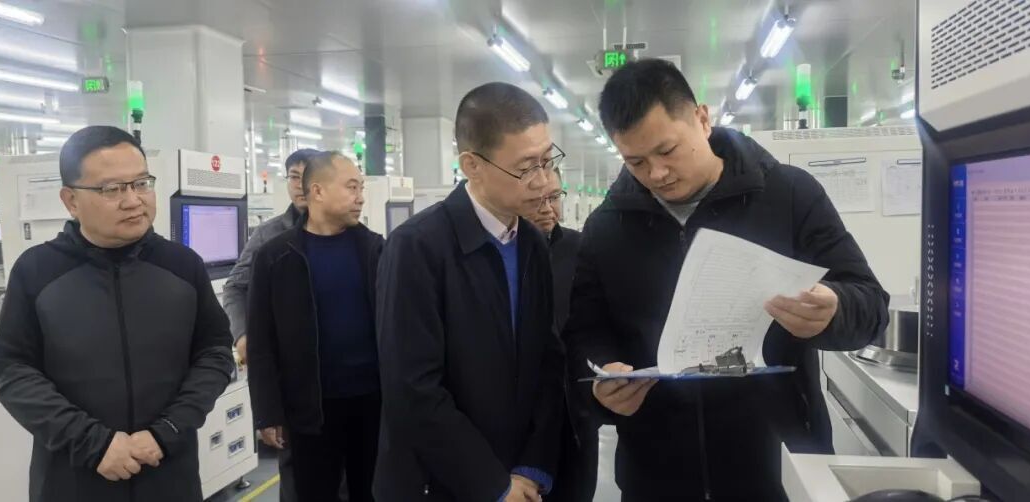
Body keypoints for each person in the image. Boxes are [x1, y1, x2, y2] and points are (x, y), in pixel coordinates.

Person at [566, 59, 890, 501]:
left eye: (667, 150)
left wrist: (834, 308)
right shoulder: (607, 228)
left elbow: (870, 304)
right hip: (657, 476)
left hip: (780, 470)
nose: (656, 173)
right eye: (636, 161)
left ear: (702, 119)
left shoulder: (789, 196)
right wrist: (604, 380)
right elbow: (585, 332)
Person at [0, 126, 235, 502]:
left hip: (168, 474)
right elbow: (13, 371)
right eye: (112, 189)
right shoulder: (37, 272)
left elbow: (214, 354)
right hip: (73, 480)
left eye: (142, 183)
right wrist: (94, 443)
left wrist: (167, 430)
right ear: (71, 200)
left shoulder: (182, 266)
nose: (133, 200)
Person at [374, 82, 565, 502]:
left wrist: (532, 466)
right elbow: (413, 390)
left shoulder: (532, 244)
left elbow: (547, 361)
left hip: (519, 478)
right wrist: (493, 486)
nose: (543, 181)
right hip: (439, 485)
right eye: (527, 167)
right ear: (472, 165)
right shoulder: (417, 248)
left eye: (548, 162)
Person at [247, 151, 384, 502]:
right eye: (351, 187)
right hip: (309, 408)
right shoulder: (276, 256)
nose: (360, 197)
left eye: (361, 188)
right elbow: (261, 340)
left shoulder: (375, 249)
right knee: (313, 492)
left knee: (372, 491)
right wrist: (267, 412)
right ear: (318, 192)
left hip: (373, 403)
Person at [222, 148, 318, 502]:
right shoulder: (268, 236)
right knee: (297, 474)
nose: (300, 185)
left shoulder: (348, 231)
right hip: (292, 376)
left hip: (340, 375)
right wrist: (243, 334)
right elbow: (235, 287)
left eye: (307, 176)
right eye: (293, 176)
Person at [518, 168, 596, 502]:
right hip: (522, 419)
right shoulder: (505, 256)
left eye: (554, 197)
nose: (548, 209)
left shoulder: (581, 250)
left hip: (575, 417)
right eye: (537, 201)